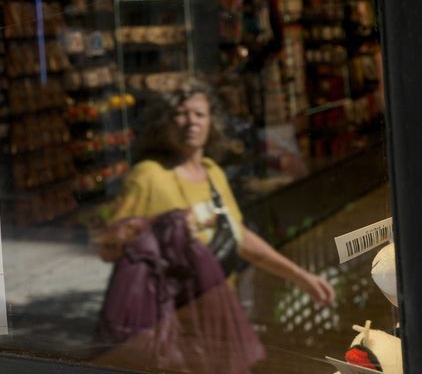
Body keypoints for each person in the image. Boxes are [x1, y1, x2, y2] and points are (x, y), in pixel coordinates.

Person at [110, 77, 336, 305]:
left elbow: (239, 237)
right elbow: (111, 249)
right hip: (172, 319)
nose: (191, 122)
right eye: (181, 114)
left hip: (220, 311)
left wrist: (300, 276)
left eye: (200, 115)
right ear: (164, 122)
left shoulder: (212, 173)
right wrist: (162, 227)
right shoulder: (147, 177)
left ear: (212, 122)